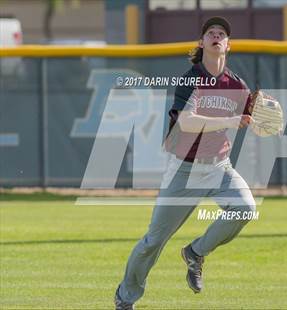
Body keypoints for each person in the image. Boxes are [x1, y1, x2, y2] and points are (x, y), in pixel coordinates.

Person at [115, 16, 257, 310]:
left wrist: (266, 120)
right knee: (153, 242)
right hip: (184, 170)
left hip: (219, 168)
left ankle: (195, 252)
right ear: (202, 43)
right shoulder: (191, 78)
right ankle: (125, 297)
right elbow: (187, 122)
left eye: (221, 33)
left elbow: (253, 117)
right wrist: (231, 119)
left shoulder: (238, 85)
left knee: (246, 208)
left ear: (228, 45)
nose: (216, 35)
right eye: (210, 33)